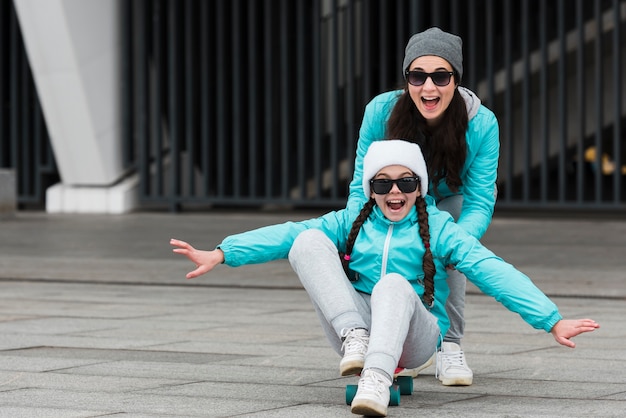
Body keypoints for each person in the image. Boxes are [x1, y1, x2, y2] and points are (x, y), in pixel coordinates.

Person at [170, 140, 598, 417]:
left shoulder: (441, 228)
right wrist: (224, 252)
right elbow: (286, 234)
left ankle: (376, 378)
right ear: (371, 188)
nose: (395, 192)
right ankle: (355, 337)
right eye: (383, 182)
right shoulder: (350, 219)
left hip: (417, 334)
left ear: (419, 186)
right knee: (306, 242)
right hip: (356, 325)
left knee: (393, 284)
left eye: (406, 181)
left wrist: (550, 319)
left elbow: (491, 269)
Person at [341, 27, 500, 386]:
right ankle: (394, 339)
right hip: (400, 195)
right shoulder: (381, 112)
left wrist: (456, 242)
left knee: (452, 234)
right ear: (406, 79)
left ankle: (450, 344)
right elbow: (360, 184)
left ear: (456, 80)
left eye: (441, 76)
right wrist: (353, 230)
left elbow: (480, 197)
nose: (429, 88)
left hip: (452, 199)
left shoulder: (482, 122)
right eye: (418, 76)